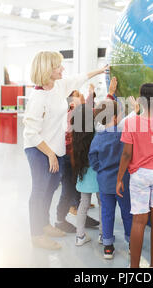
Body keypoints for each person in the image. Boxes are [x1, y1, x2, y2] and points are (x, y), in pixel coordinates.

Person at [23, 51, 107, 250]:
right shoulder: (38, 98)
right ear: (47, 70)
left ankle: (44, 224)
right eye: (58, 66)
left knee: (51, 189)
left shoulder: (58, 86)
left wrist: (101, 70)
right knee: (39, 191)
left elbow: (80, 78)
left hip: (55, 149)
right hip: (38, 150)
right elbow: (31, 133)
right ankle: (36, 234)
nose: (63, 69)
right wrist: (50, 154)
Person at [116, 83, 153, 268]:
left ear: (141, 101)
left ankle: (134, 268)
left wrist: (119, 178)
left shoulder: (131, 122)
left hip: (140, 175)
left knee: (139, 221)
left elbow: (126, 154)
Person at [88, 93, 138, 259]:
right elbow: (130, 156)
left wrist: (101, 170)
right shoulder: (123, 134)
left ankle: (108, 247)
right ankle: (132, 244)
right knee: (127, 213)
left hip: (104, 183)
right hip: (123, 182)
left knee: (107, 214)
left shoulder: (97, 138)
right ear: (116, 118)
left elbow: (93, 160)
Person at [55, 85, 99, 233]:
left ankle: (81, 216)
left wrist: (91, 94)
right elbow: (92, 111)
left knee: (77, 190)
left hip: (75, 157)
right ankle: (60, 220)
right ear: (71, 102)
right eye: (77, 95)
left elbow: (88, 109)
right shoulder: (70, 114)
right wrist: (110, 94)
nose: (81, 96)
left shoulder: (75, 112)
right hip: (68, 158)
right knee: (68, 189)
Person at [70, 103, 102, 246]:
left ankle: (80, 236)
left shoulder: (76, 134)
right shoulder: (97, 132)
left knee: (83, 205)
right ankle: (103, 235)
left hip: (83, 172)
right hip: (99, 172)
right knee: (103, 204)